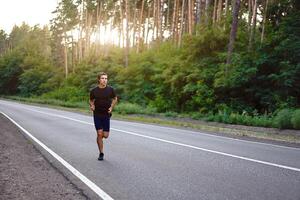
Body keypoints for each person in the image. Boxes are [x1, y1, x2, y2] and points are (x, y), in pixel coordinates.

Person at [89, 72, 117, 161]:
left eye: (106, 78)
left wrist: (111, 107)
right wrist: (92, 105)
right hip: (97, 114)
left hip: (106, 114)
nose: (105, 80)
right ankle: (101, 153)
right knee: (99, 133)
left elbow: (115, 98)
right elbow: (91, 100)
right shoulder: (94, 91)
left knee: (105, 135)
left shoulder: (110, 90)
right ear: (99, 80)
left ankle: (100, 138)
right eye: (103, 78)